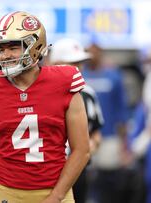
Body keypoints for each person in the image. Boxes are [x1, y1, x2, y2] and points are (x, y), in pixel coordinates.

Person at [0, 11, 90, 203]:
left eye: (14, 47)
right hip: (9, 193)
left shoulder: (64, 81)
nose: (5, 55)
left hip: (55, 190)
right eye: (1, 49)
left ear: (35, 46)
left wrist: (56, 196)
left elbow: (81, 150)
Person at [49, 38, 104, 203]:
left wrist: (89, 147)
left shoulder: (87, 93)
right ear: (55, 63)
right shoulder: (40, 94)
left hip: (78, 171)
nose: (78, 69)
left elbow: (95, 133)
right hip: (46, 172)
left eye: (81, 63)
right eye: (73, 63)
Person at [82, 43, 131, 203]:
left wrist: (124, 144)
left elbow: (121, 110)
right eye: (89, 51)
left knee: (109, 178)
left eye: (95, 51)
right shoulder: (80, 76)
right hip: (83, 136)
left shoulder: (113, 76)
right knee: (84, 177)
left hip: (109, 135)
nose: (92, 54)